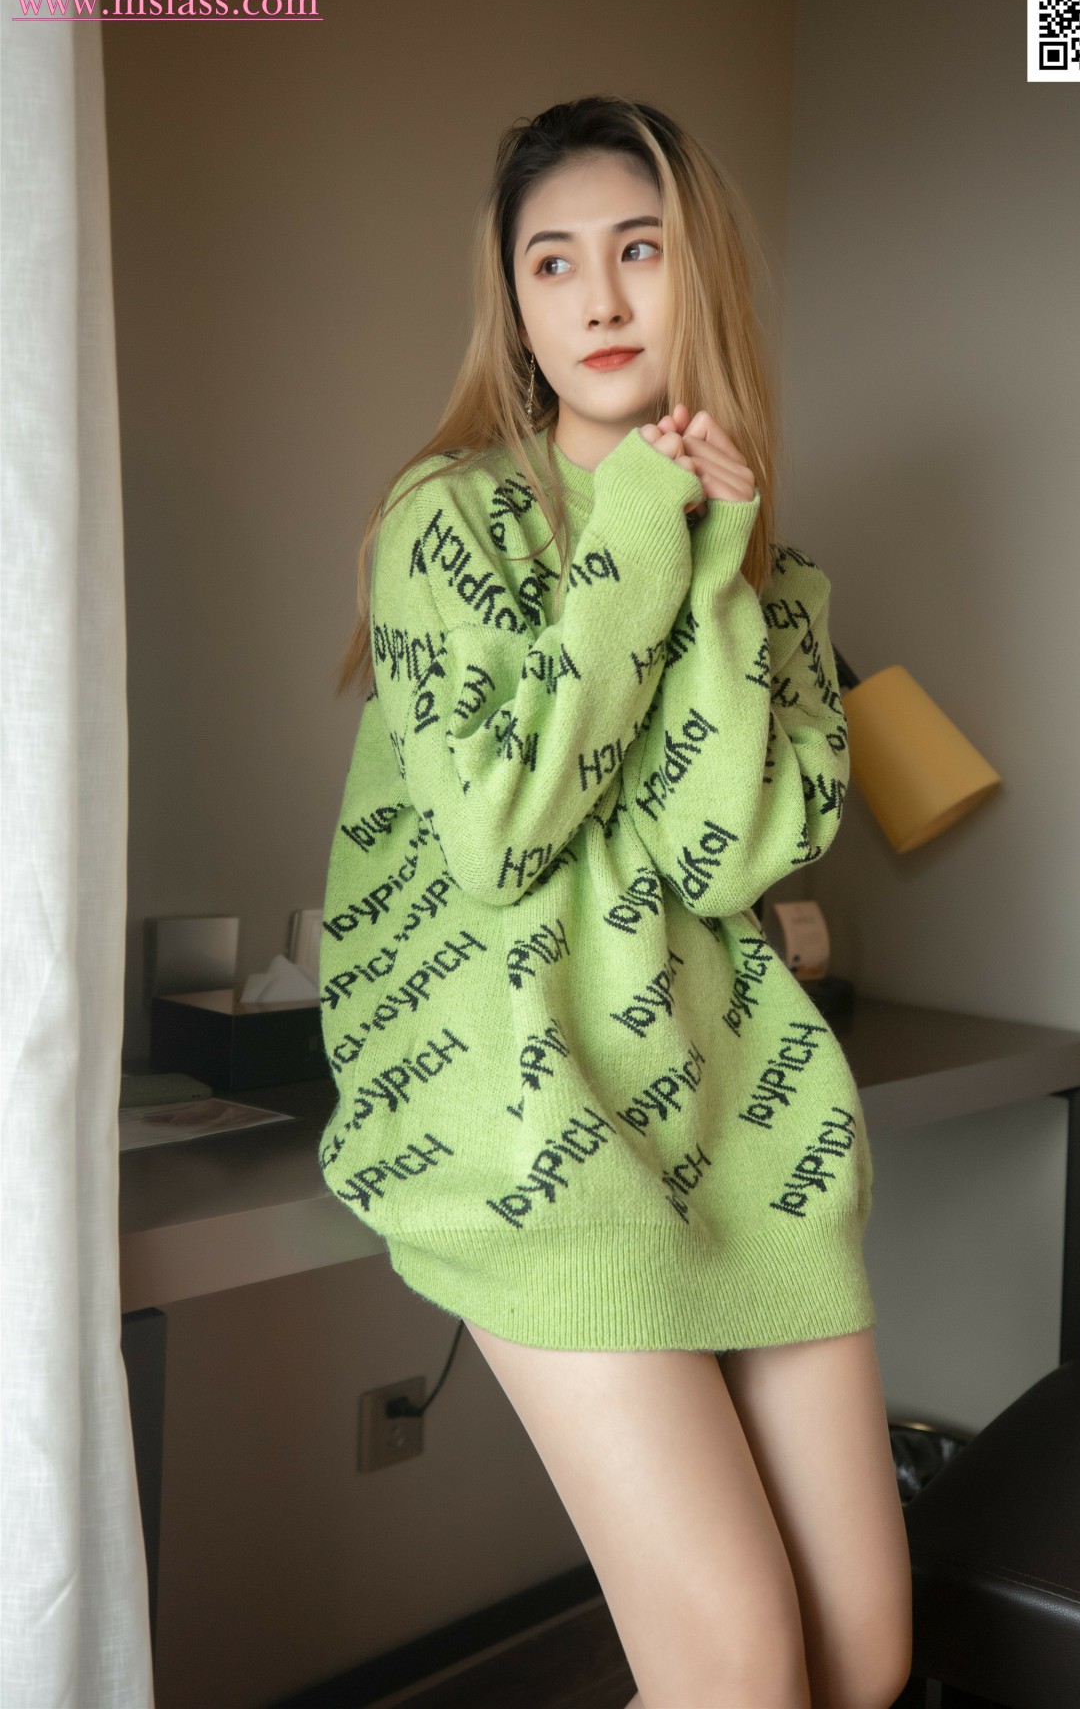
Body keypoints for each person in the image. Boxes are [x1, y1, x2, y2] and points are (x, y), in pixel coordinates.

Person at [322, 96, 912, 1709]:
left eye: (639, 251)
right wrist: (647, 530)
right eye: (553, 261)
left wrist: (714, 569)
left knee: (861, 1664)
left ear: (697, 274)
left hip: (742, 1124)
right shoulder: (447, 521)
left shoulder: (773, 576)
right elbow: (504, 831)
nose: (597, 298)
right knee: (738, 1669)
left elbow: (729, 860)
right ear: (512, 303)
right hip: (531, 1130)